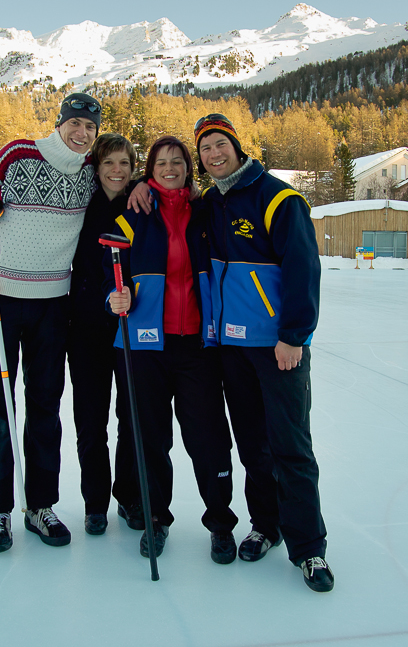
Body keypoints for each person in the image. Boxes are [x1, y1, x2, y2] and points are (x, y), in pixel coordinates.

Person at [194, 113, 334, 592]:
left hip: (278, 348)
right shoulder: (210, 203)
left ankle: (309, 549)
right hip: (232, 348)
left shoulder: (278, 197)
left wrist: (294, 335)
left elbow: (302, 268)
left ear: (236, 145)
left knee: (290, 447)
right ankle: (266, 525)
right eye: (205, 149)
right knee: (253, 445)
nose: (214, 154)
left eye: (219, 144)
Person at [0, 92, 102, 553]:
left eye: (90, 128)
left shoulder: (88, 173)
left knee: (45, 405)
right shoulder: (18, 153)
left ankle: (40, 505)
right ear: (59, 123)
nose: (81, 134)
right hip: (0, 298)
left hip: (52, 304)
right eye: (74, 124)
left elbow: (120, 185)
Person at [108, 136, 238, 563]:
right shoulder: (135, 212)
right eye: (161, 162)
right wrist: (115, 297)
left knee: (208, 439)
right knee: (150, 439)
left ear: (188, 166)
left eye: (177, 160)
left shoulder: (205, 212)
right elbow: (108, 271)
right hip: (147, 347)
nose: (169, 167)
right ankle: (155, 518)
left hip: (197, 346)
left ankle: (220, 522)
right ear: (150, 169)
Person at [67, 133, 142, 536]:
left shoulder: (139, 203)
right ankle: (95, 502)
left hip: (131, 327)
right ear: (97, 167)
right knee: (91, 421)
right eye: (109, 163)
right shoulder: (82, 204)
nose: (117, 171)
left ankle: (129, 496)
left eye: (125, 165)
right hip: (86, 330)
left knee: (131, 418)